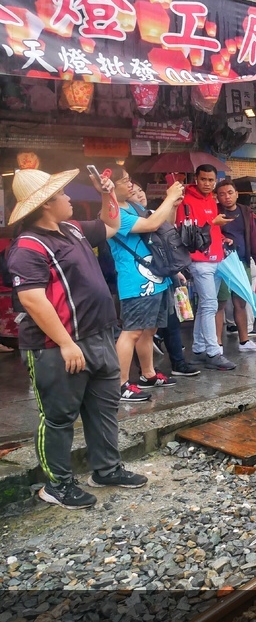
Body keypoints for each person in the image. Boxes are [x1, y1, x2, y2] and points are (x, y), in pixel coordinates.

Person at [6, 168, 148, 510]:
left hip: (99, 335)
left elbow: (112, 225)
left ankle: (107, 469)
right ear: (45, 205)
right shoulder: (27, 247)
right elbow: (32, 299)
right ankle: (57, 484)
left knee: (104, 409)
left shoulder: (71, 229)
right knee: (58, 418)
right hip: (58, 347)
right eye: (62, 194)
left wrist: (106, 193)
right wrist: (67, 343)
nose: (69, 197)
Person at [106, 168, 184, 401]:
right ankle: (119, 384)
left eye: (130, 179)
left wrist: (174, 205)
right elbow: (150, 225)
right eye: (124, 181)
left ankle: (147, 374)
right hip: (136, 281)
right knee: (131, 332)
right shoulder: (114, 214)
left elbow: (162, 225)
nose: (130, 184)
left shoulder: (134, 207)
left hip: (156, 276)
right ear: (109, 186)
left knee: (149, 330)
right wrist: (168, 198)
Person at [177, 164, 236, 371]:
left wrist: (222, 238)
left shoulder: (211, 200)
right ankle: (213, 351)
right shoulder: (184, 200)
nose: (208, 184)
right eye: (204, 179)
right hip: (199, 260)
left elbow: (211, 229)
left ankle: (200, 349)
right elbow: (187, 231)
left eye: (211, 180)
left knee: (206, 305)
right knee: (210, 305)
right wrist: (213, 223)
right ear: (196, 178)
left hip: (216, 258)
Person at [214, 179, 256, 353]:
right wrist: (223, 239)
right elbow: (210, 233)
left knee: (241, 303)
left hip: (242, 261)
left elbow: (252, 237)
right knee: (219, 304)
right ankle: (217, 344)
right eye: (222, 194)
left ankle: (244, 341)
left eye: (230, 193)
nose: (226, 197)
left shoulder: (245, 212)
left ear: (236, 194)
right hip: (222, 264)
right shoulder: (216, 213)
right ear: (217, 197)